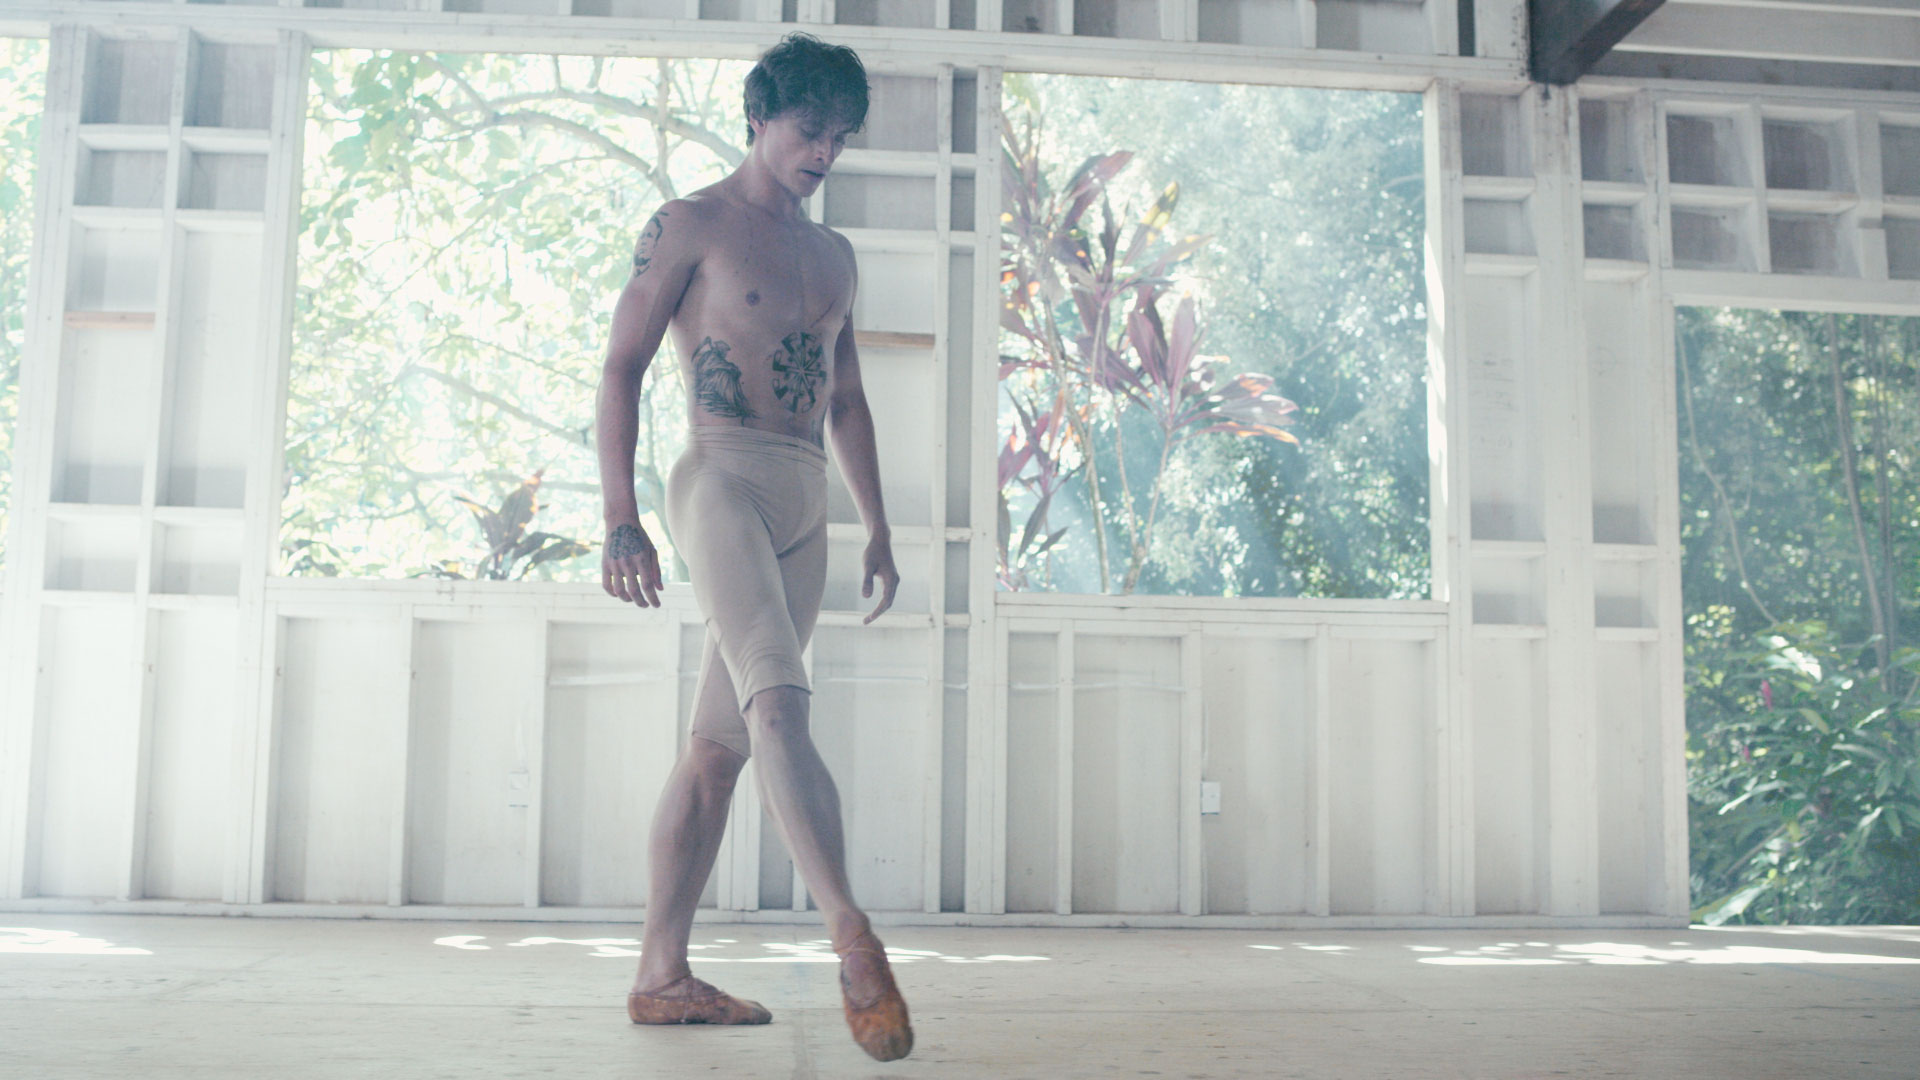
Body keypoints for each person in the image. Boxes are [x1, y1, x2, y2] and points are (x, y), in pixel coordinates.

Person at [593, 32, 911, 1063]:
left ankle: (661, 976)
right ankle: (854, 942)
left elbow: (848, 399)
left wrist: (878, 525)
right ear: (759, 119)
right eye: (810, 130)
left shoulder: (835, 257)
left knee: (718, 750)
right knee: (778, 700)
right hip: (720, 478)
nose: (825, 152)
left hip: (807, 500)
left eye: (841, 137)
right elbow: (621, 367)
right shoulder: (691, 224)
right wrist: (619, 516)